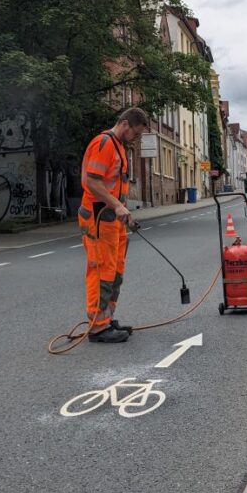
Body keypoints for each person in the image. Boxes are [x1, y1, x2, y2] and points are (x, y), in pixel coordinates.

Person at [78, 107, 149, 343]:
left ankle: (106, 319)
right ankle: (98, 327)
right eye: (136, 134)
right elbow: (92, 181)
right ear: (126, 124)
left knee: (115, 270)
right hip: (98, 217)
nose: (136, 140)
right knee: (102, 271)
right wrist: (117, 205)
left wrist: (122, 210)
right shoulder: (104, 143)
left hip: (112, 219)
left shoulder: (119, 146)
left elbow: (115, 184)